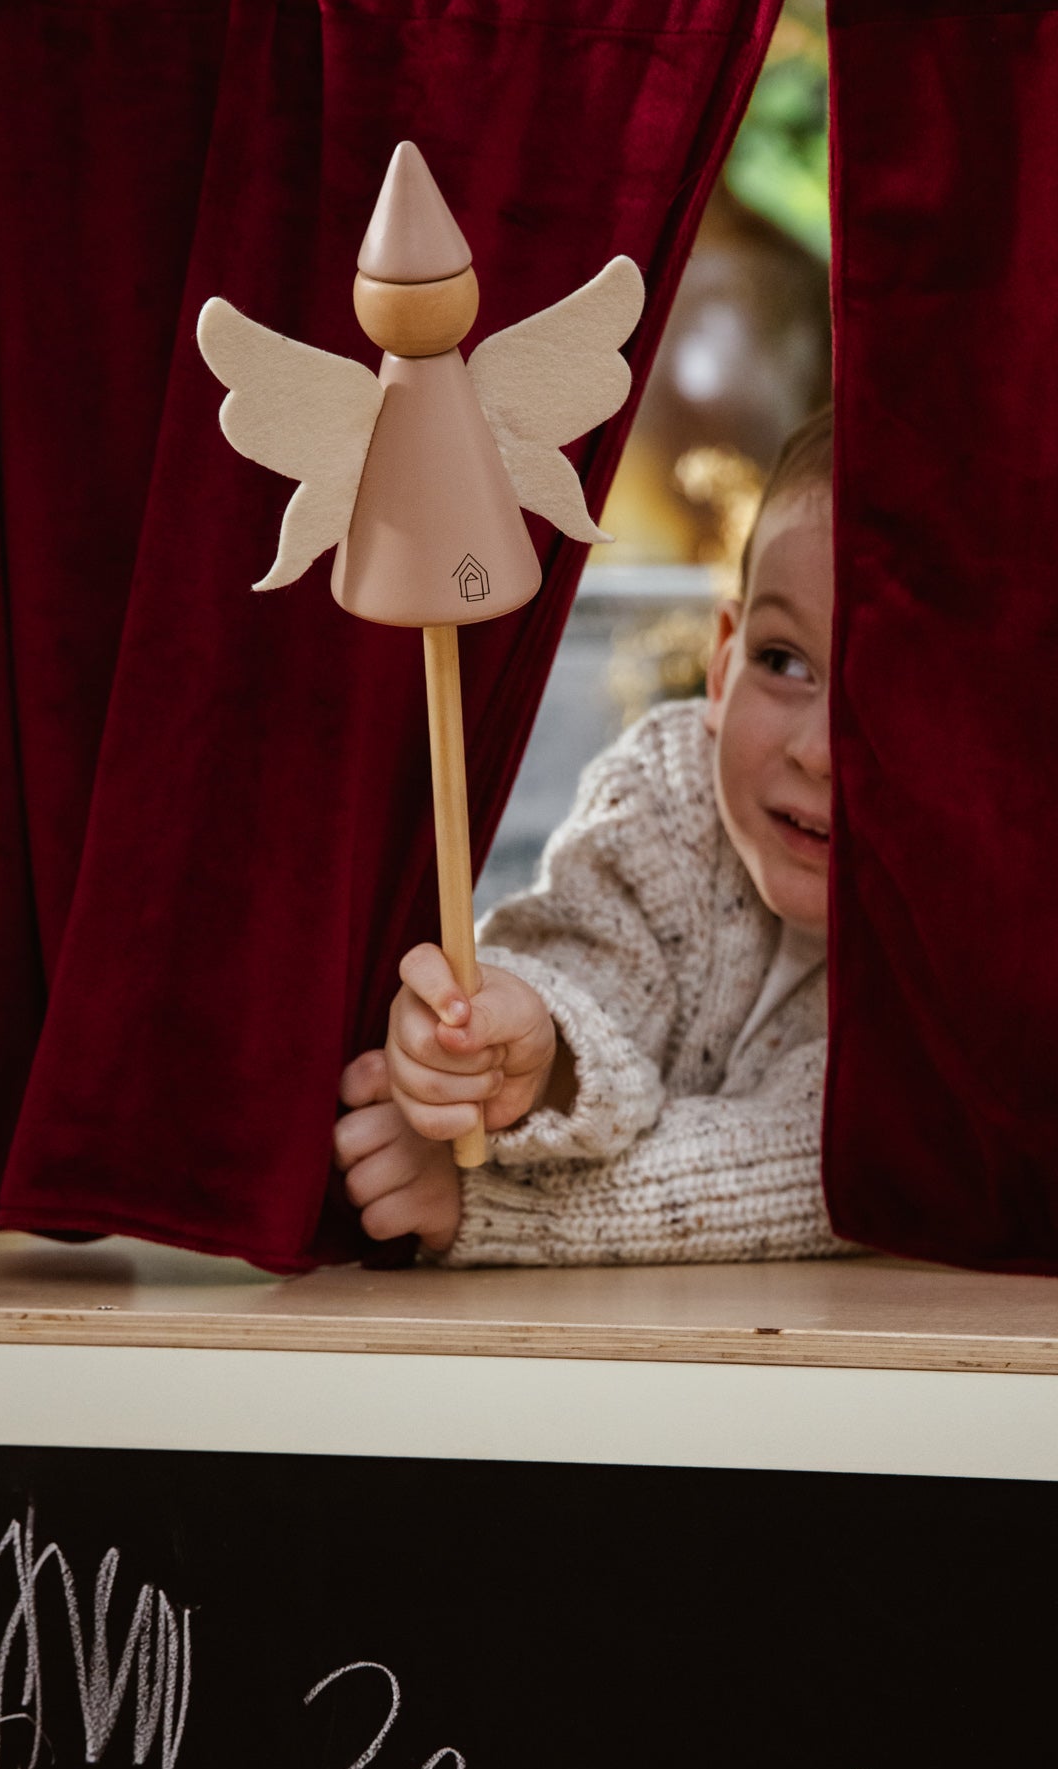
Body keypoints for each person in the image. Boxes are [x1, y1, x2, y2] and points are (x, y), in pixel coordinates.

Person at [333, 406, 852, 1265]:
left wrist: (487, 1201)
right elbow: (589, 978)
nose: (818, 752)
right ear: (722, 662)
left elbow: (828, 1164)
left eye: (890, 694)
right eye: (782, 661)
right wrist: (505, 1054)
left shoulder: (957, 938)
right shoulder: (672, 789)